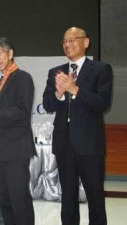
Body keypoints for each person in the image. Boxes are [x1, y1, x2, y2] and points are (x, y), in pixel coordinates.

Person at [43, 27, 113, 225]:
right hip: (65, 144)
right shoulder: (56, 72)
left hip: (90, 145)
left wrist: (75, 90)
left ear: (86, 42)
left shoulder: (101, 69)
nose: (68, 44)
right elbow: (48, 105)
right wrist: (57, 94)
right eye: (65, 41)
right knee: (68, 198)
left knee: (95, 196)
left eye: (73, 40)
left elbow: (102, 103)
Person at [0, 37, 36, 225]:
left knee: (20, 201)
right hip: (1, 149)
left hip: (17, 148)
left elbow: (22, 111)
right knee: (5, 201)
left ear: (10, 53)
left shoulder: (22, 77)